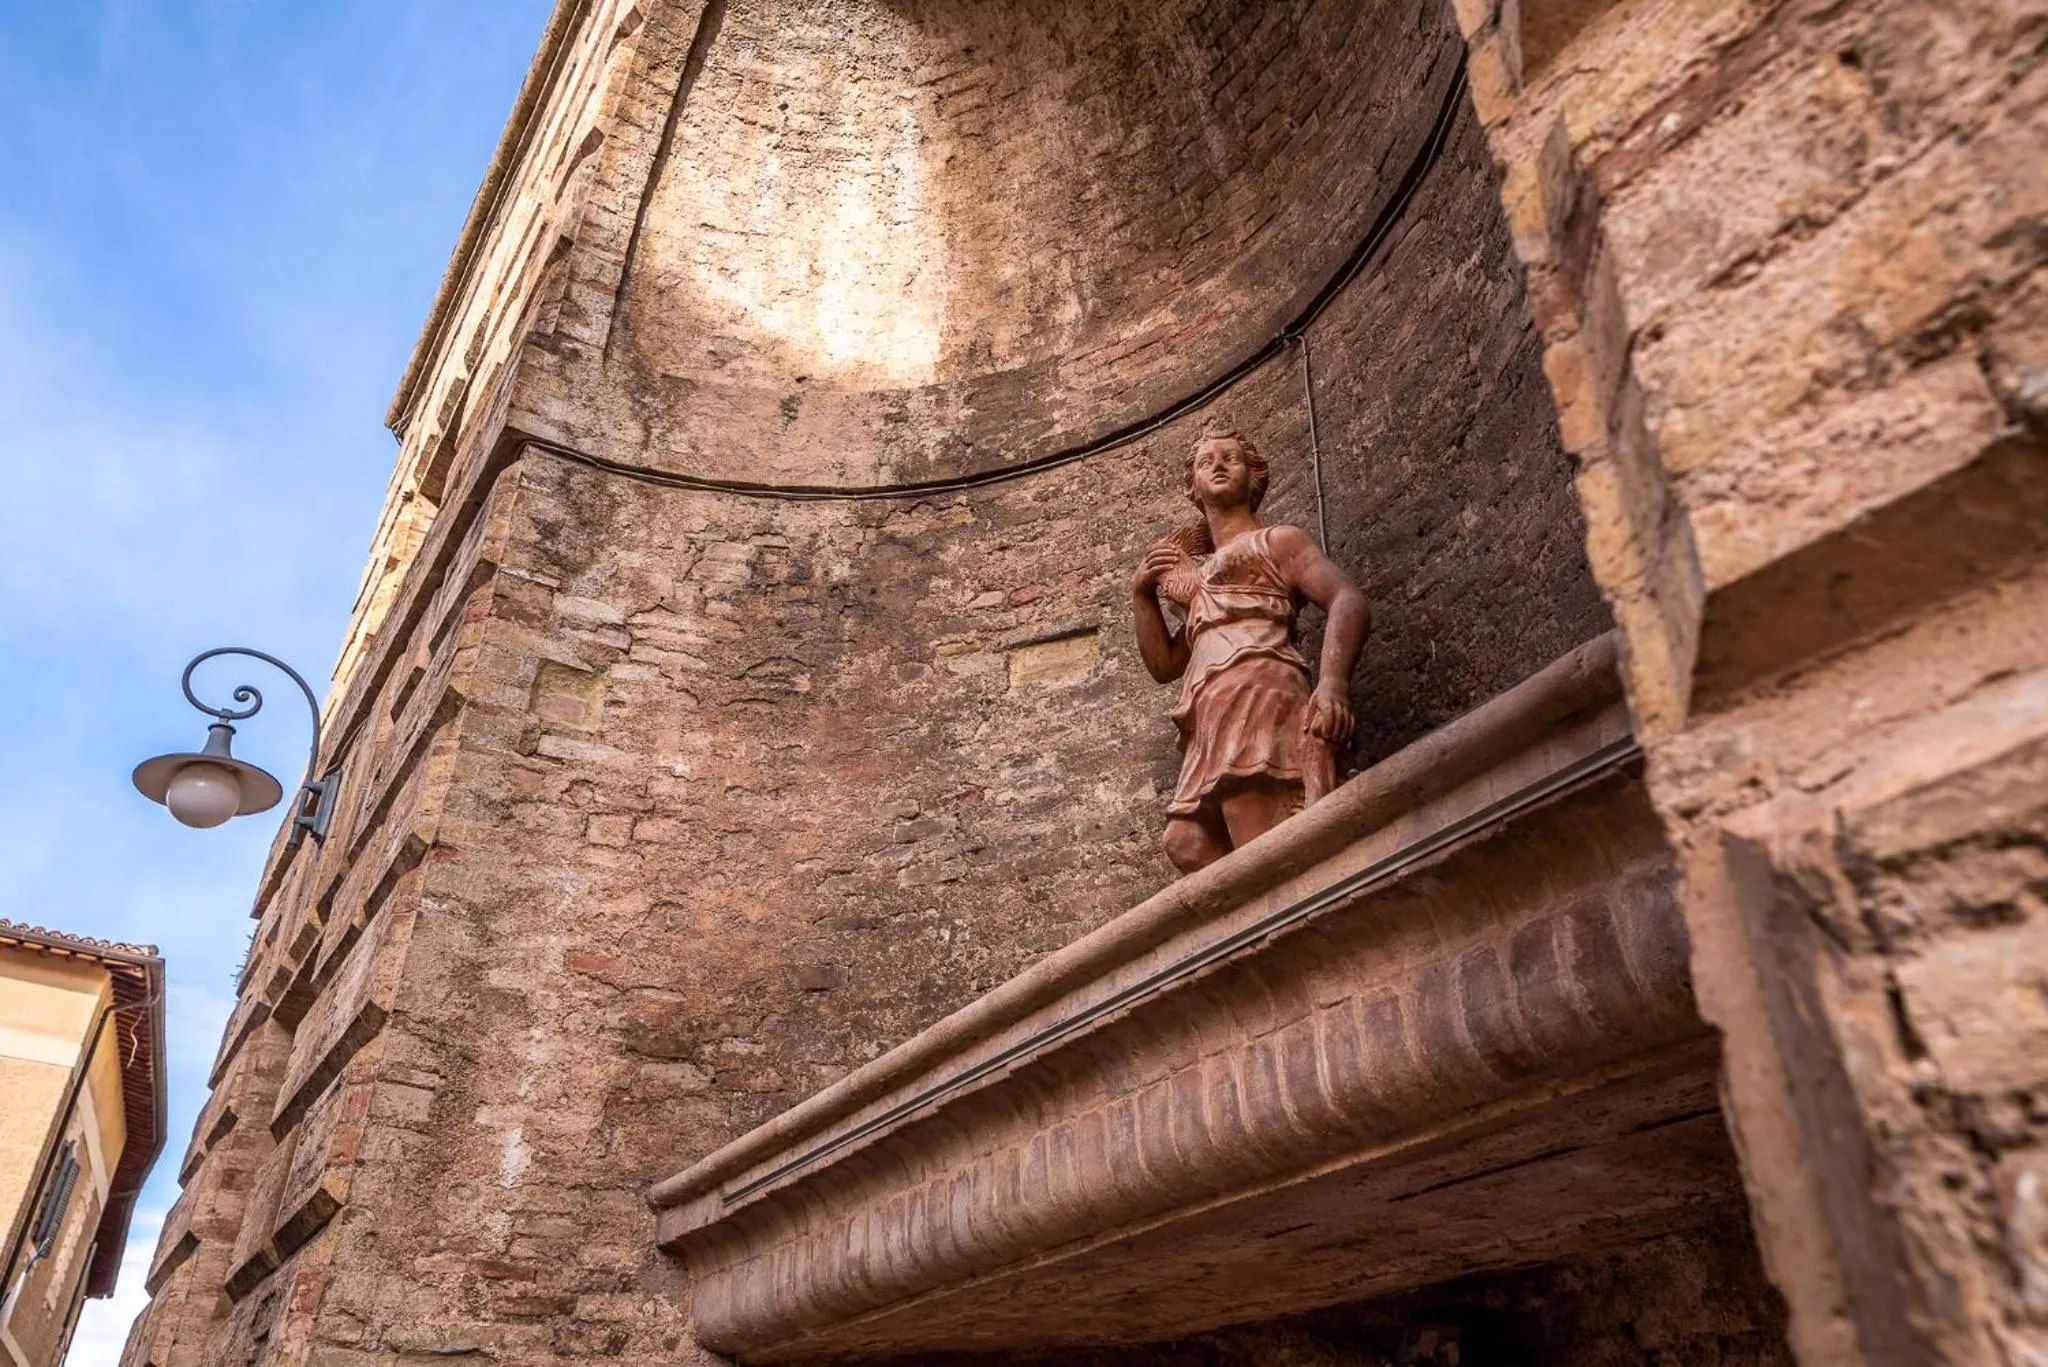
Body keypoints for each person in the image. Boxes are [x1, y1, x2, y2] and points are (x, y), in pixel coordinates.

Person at [1130, 427, 1370, 873]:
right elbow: (1163, 665)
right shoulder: (1197, 581)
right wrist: (1142, 596)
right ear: (1193, 487)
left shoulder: (1278, 542)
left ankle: (1293, 916)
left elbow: (1347, 600)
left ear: (1253, 476)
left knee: (1254, 825)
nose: (1218, 465)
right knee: (1185, 841)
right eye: (1206, 461)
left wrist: (1333, 684)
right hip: (1208, 708)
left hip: (1259, 686)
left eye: (1230, 458)